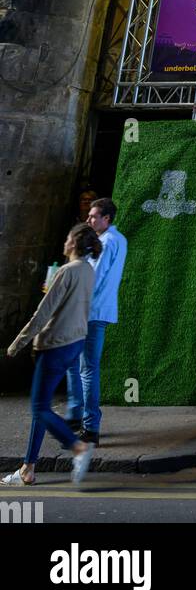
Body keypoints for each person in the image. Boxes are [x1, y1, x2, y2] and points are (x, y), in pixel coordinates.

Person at [3, 223, 103, 488]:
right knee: (42, 407)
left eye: (68, 237)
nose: (65, 240)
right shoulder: (87, 271)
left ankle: (77, 446)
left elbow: (42, 314)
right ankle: (28, 468)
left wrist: (16, 344)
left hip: (54, 345)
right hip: (74, 344)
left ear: (73, 243)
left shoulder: (66, 271)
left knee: (39, 407)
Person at [65, 197, 128, 446]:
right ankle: (77, 416)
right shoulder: (116, 240)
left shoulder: (108, 241)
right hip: (95, 312)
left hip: (90, 312)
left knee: (87, 368)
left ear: (106, 219)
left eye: (93, 216)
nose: (89, 220)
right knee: (78, 364)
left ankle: (90, 427)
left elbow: (95, 278)